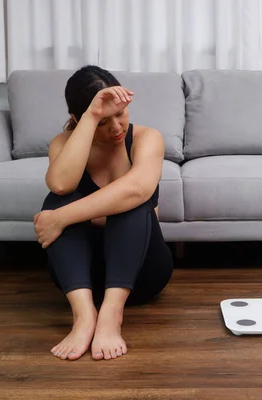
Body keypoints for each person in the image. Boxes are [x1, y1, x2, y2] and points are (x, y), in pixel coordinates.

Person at [34, 65, 174, 362]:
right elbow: (60, 183)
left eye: (120, 114)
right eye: (103, 121)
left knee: (130, 197)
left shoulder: (147, 138)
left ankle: (111, 316)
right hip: (81, 278)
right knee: (58, 196)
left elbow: (137, 190)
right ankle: (84, 317)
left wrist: (59, 219)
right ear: (77, 119)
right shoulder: (63, 143)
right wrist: (90, 117)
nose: (116, 128)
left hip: (141, 272)